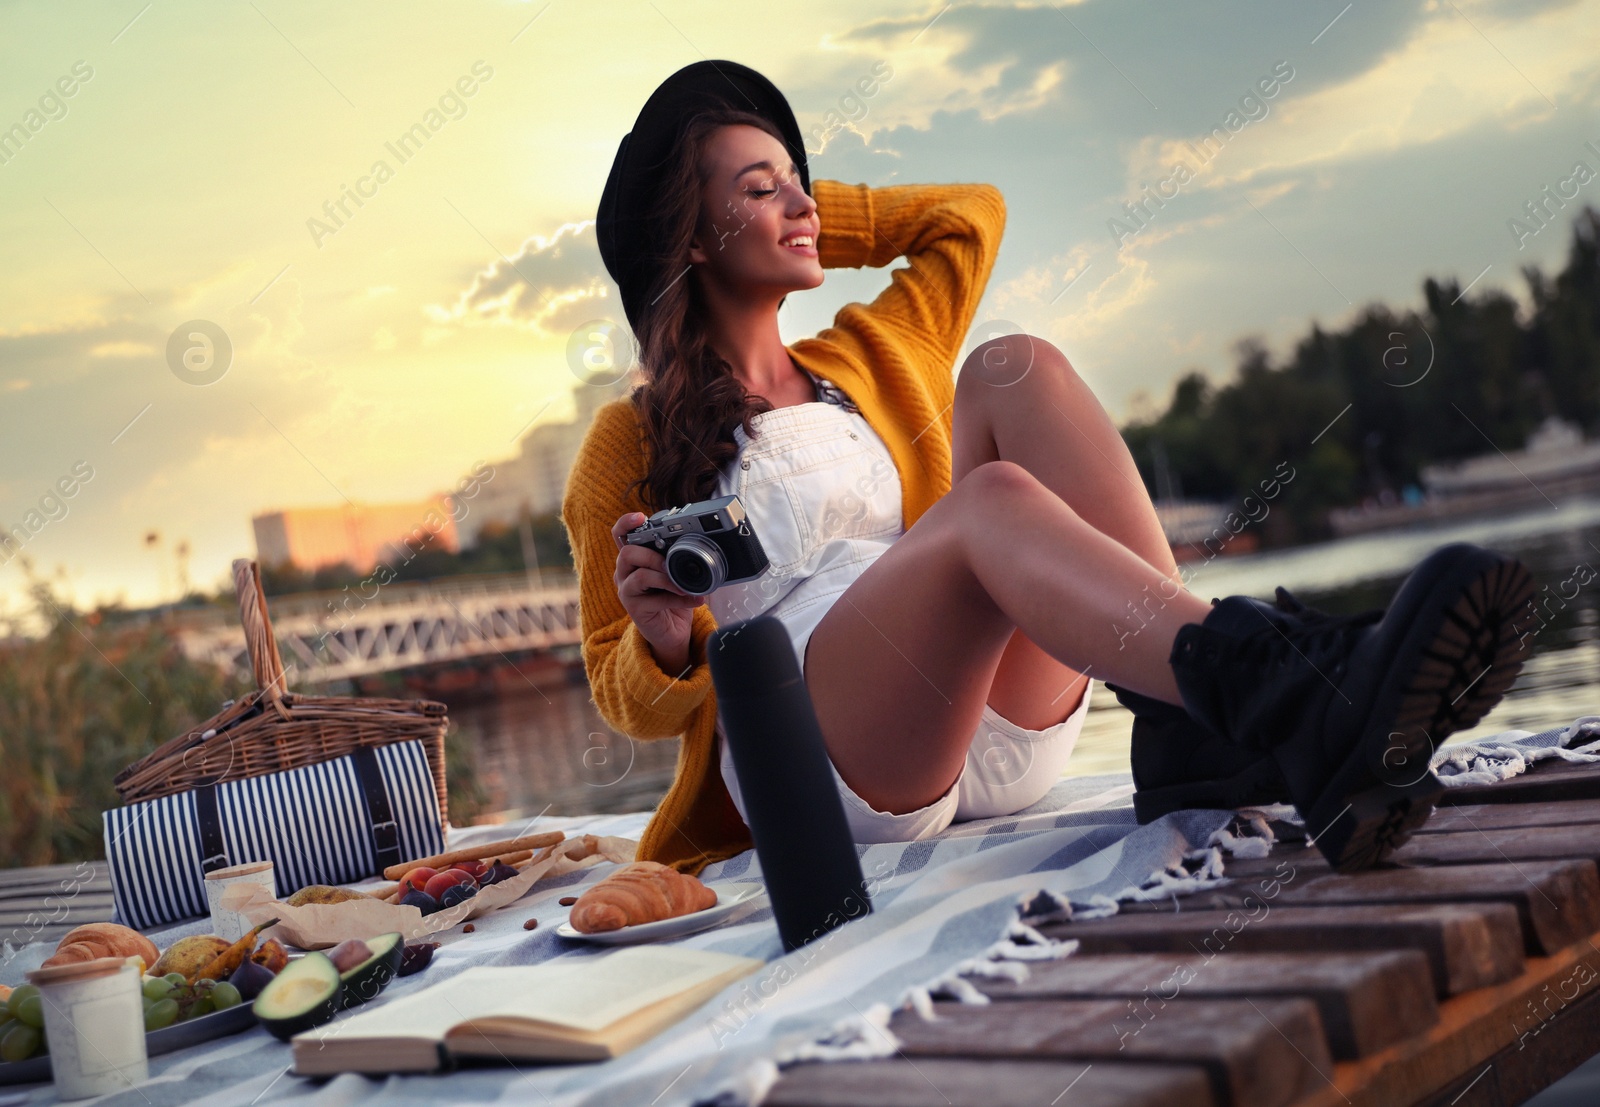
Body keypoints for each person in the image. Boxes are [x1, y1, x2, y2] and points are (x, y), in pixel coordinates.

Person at [564, 59, 1536, 877]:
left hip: (977, 705)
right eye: (758, 187)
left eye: (798, 176)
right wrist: (663, 640)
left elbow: (968, 218)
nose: (802, 200)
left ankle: (1189, 719)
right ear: (688, 233)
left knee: (1014, 364)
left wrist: (811, 218)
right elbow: (623, 695)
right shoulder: (629, 436)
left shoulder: (865, 356)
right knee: (986, 504)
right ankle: (1270, 680)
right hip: (824, 762)